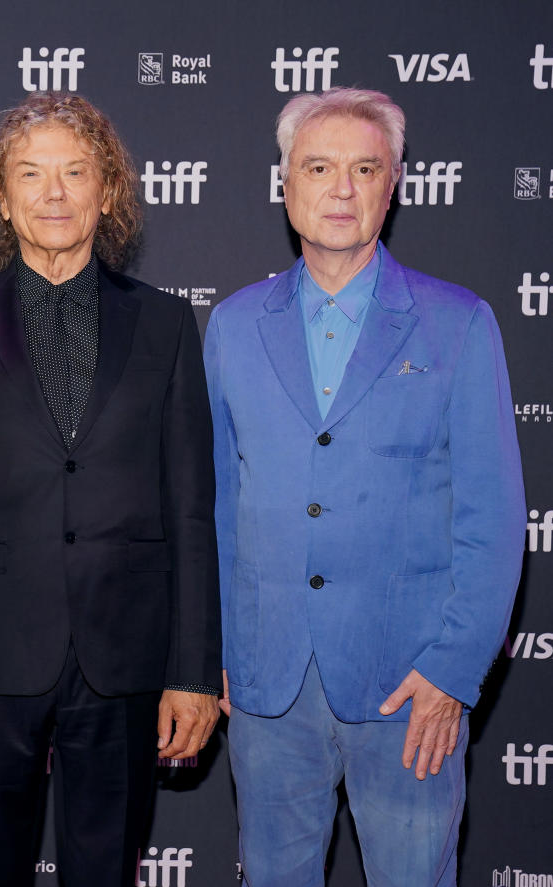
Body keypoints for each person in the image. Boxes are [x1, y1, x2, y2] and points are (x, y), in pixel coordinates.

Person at [205, 87, 525, 886]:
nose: (341, 189)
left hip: (409, 686)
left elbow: (492, 519)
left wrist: (454, 670)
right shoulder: (233, 326)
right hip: (267, 684)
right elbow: (211, 504)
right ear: (286, 182)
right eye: (319, 166)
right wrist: (213, 649)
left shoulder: (460, 325)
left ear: (395, 185)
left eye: (364, 168)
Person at [0, 92, 221, 887]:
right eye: (31, 174)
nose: (54, 193)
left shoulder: (167, 324)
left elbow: (190, 507)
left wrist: (192, 667)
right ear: (0, 198)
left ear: (106, 191)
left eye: (75, 172)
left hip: (124, 654)